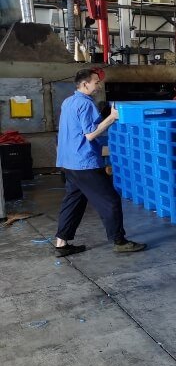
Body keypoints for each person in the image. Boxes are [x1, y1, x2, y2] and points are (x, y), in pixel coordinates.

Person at [53, 69, 147, 257]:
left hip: (68, 162)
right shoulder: (86, 104)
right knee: (110, 201)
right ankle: (119, 241)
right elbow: (90, 134)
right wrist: (112, 117)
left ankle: (61, 244)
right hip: (84, 163)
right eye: (96, 82)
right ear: (85, 84)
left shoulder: (68, 101)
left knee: (73, 202)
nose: (98, 86)